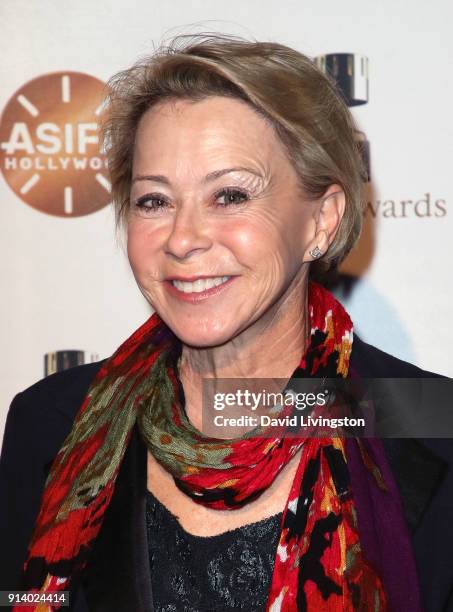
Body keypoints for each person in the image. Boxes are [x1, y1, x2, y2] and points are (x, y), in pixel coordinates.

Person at [1, 33, 452, 612]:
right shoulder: (52, 424)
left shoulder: (430, 430)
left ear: (321, 220)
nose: (184, 239)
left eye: (231, 195)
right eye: (154, 202)